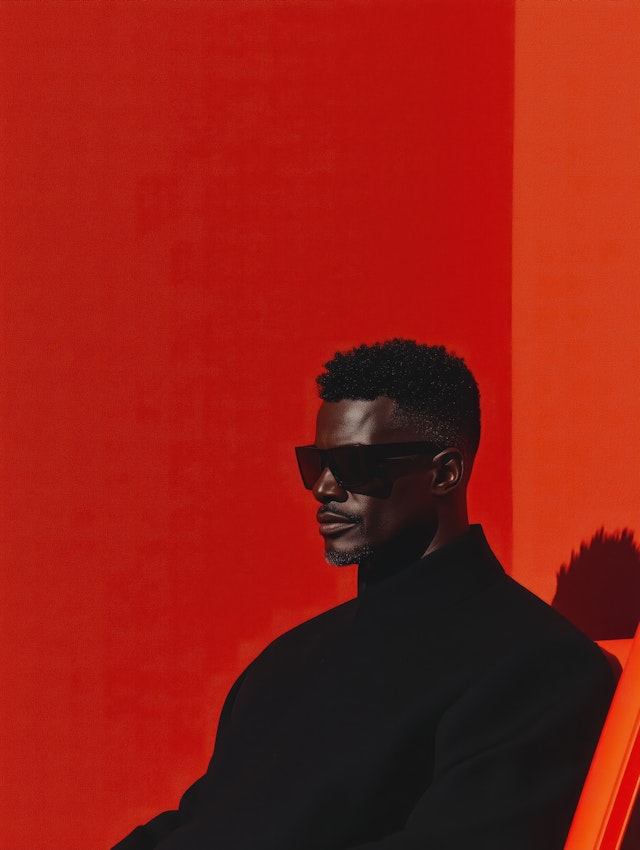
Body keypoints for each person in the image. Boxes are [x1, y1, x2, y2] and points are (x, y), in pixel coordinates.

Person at [112, 339, 617, 850]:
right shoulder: (285, 661)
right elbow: (201, 820)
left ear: (445, 472)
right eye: (316, 463)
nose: (324, 488)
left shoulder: (540, 667)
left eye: (354, 465)